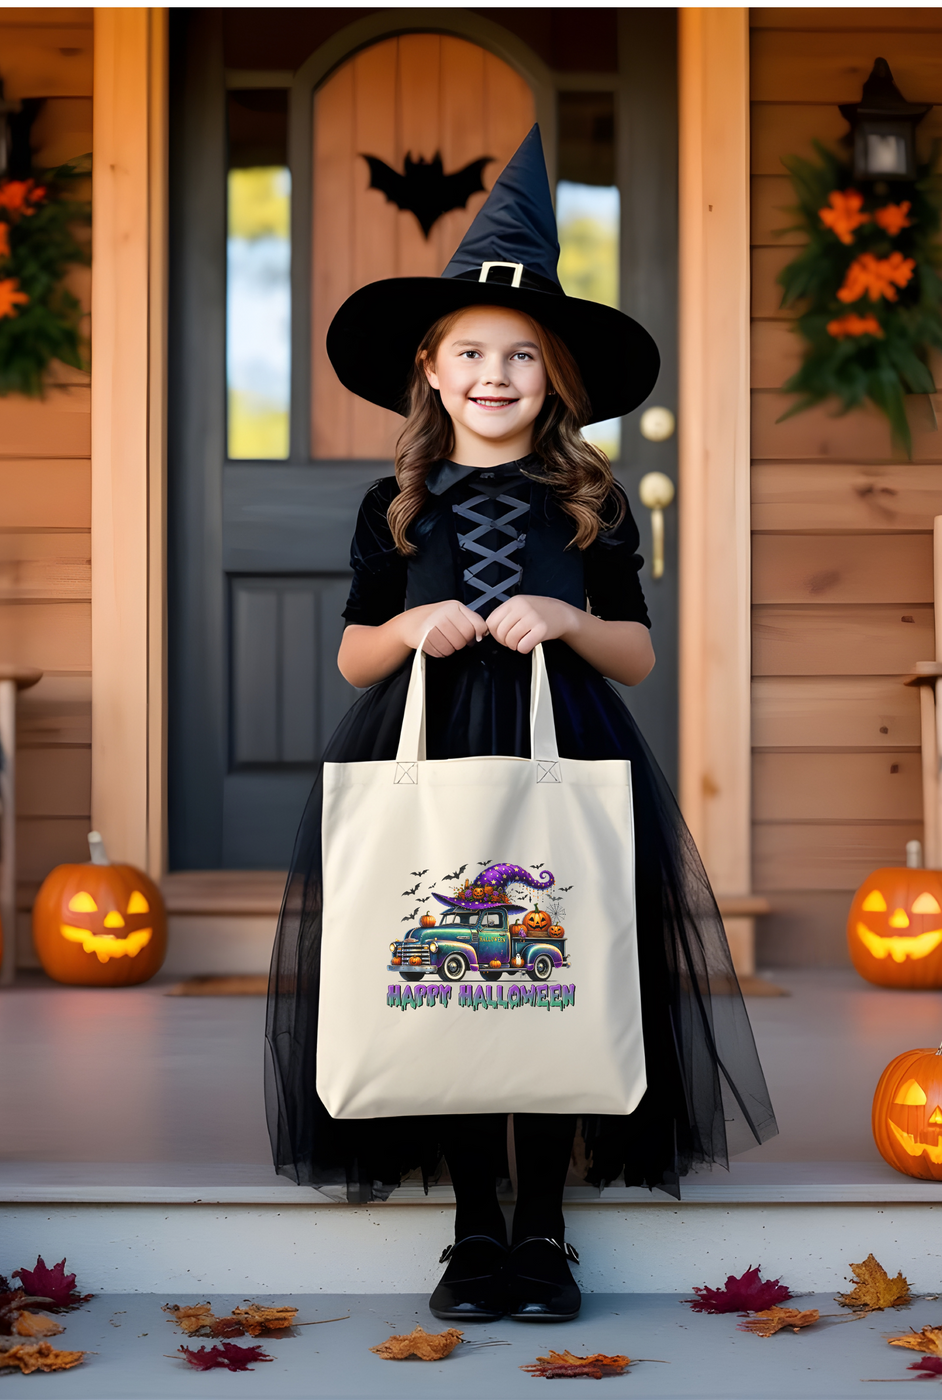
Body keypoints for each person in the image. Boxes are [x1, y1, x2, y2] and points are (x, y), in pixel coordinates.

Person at [266, 126, 777, 1323]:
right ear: (430, 371)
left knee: (546, 973)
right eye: (470, 352)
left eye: (521, 357)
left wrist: (561, 613)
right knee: (446, 979)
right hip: (431, 748)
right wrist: (411, 629)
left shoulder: (587, 499)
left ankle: (542, 1225)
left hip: (568, 754)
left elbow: (637, 652)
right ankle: (469, 1230)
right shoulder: (389, 507)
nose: (495, 374)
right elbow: (350, 649)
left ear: (554, 379)